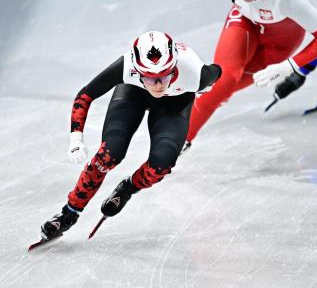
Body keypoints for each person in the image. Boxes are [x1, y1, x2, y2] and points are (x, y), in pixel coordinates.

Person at [39, 31, 221, 241]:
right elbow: (85, 95)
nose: (158, 84)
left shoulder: (196, 74)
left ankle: (127, 188)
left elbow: (220, 71)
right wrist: (76, 139)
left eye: (164, 75)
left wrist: (208, 85)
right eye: (150, 78)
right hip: (133, 92)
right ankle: (68, 213)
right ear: (137, 69)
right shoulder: (126, 66)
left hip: (176, 101)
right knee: (109, 154)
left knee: (161, 164)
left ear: (175, 65)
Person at [163, 0, 317, 145]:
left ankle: (186, 109)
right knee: (223, 82)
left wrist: (289, 66)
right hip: (246, 22)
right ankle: (179, 142)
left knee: (223, 91)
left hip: (279, 45)